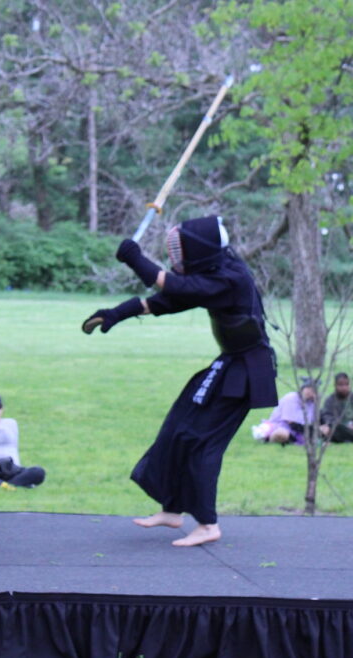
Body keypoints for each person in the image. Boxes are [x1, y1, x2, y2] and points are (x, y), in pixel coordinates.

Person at [82, 216, 277, 547]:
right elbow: (171, 300)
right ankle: (172, 510)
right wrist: (119, 312)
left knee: (204, 443)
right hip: (230, 363)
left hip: (247, 370)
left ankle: (208, 524)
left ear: (199, 249)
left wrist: (135, 259)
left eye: (181, 250)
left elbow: (177, 287)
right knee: (180, 428)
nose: (177, 256)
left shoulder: (230, 278)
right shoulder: (218, 273)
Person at [257, 380, 318, 445]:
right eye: (308, 389)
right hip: (282, 426)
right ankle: (269, 439)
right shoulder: (291, 398)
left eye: (313, 391)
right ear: (303, 389)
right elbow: (290, 422)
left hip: (299, 430)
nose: (309, 392)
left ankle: (292, 441)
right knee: (281, 434)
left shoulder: (312, 403)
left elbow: (312, 421)